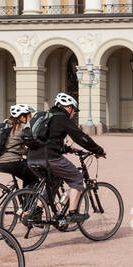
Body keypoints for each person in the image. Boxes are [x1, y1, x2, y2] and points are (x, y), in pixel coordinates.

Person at [26, 93, 106, 225]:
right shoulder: (62, 118)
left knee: (53, 181)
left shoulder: (43, 116)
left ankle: (36, 211)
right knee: (76, 179)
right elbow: (80, 137)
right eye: (74, 110)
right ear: (69, 107)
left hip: (32, 159)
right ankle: (72, 213)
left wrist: (67, 149)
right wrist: (98, 150)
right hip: (49, 159)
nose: (74, 114)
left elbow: (47, 140)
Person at [0, 104, 39, 189]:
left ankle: (23, 195)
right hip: (11, 162)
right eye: (29, 116)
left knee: (27, 176)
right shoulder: (22, 128)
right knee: (34, 179)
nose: (31, 119)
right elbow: (30, 144)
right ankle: (27, 201)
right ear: (22, 117)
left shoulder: (6, 125)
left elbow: (16, 147)